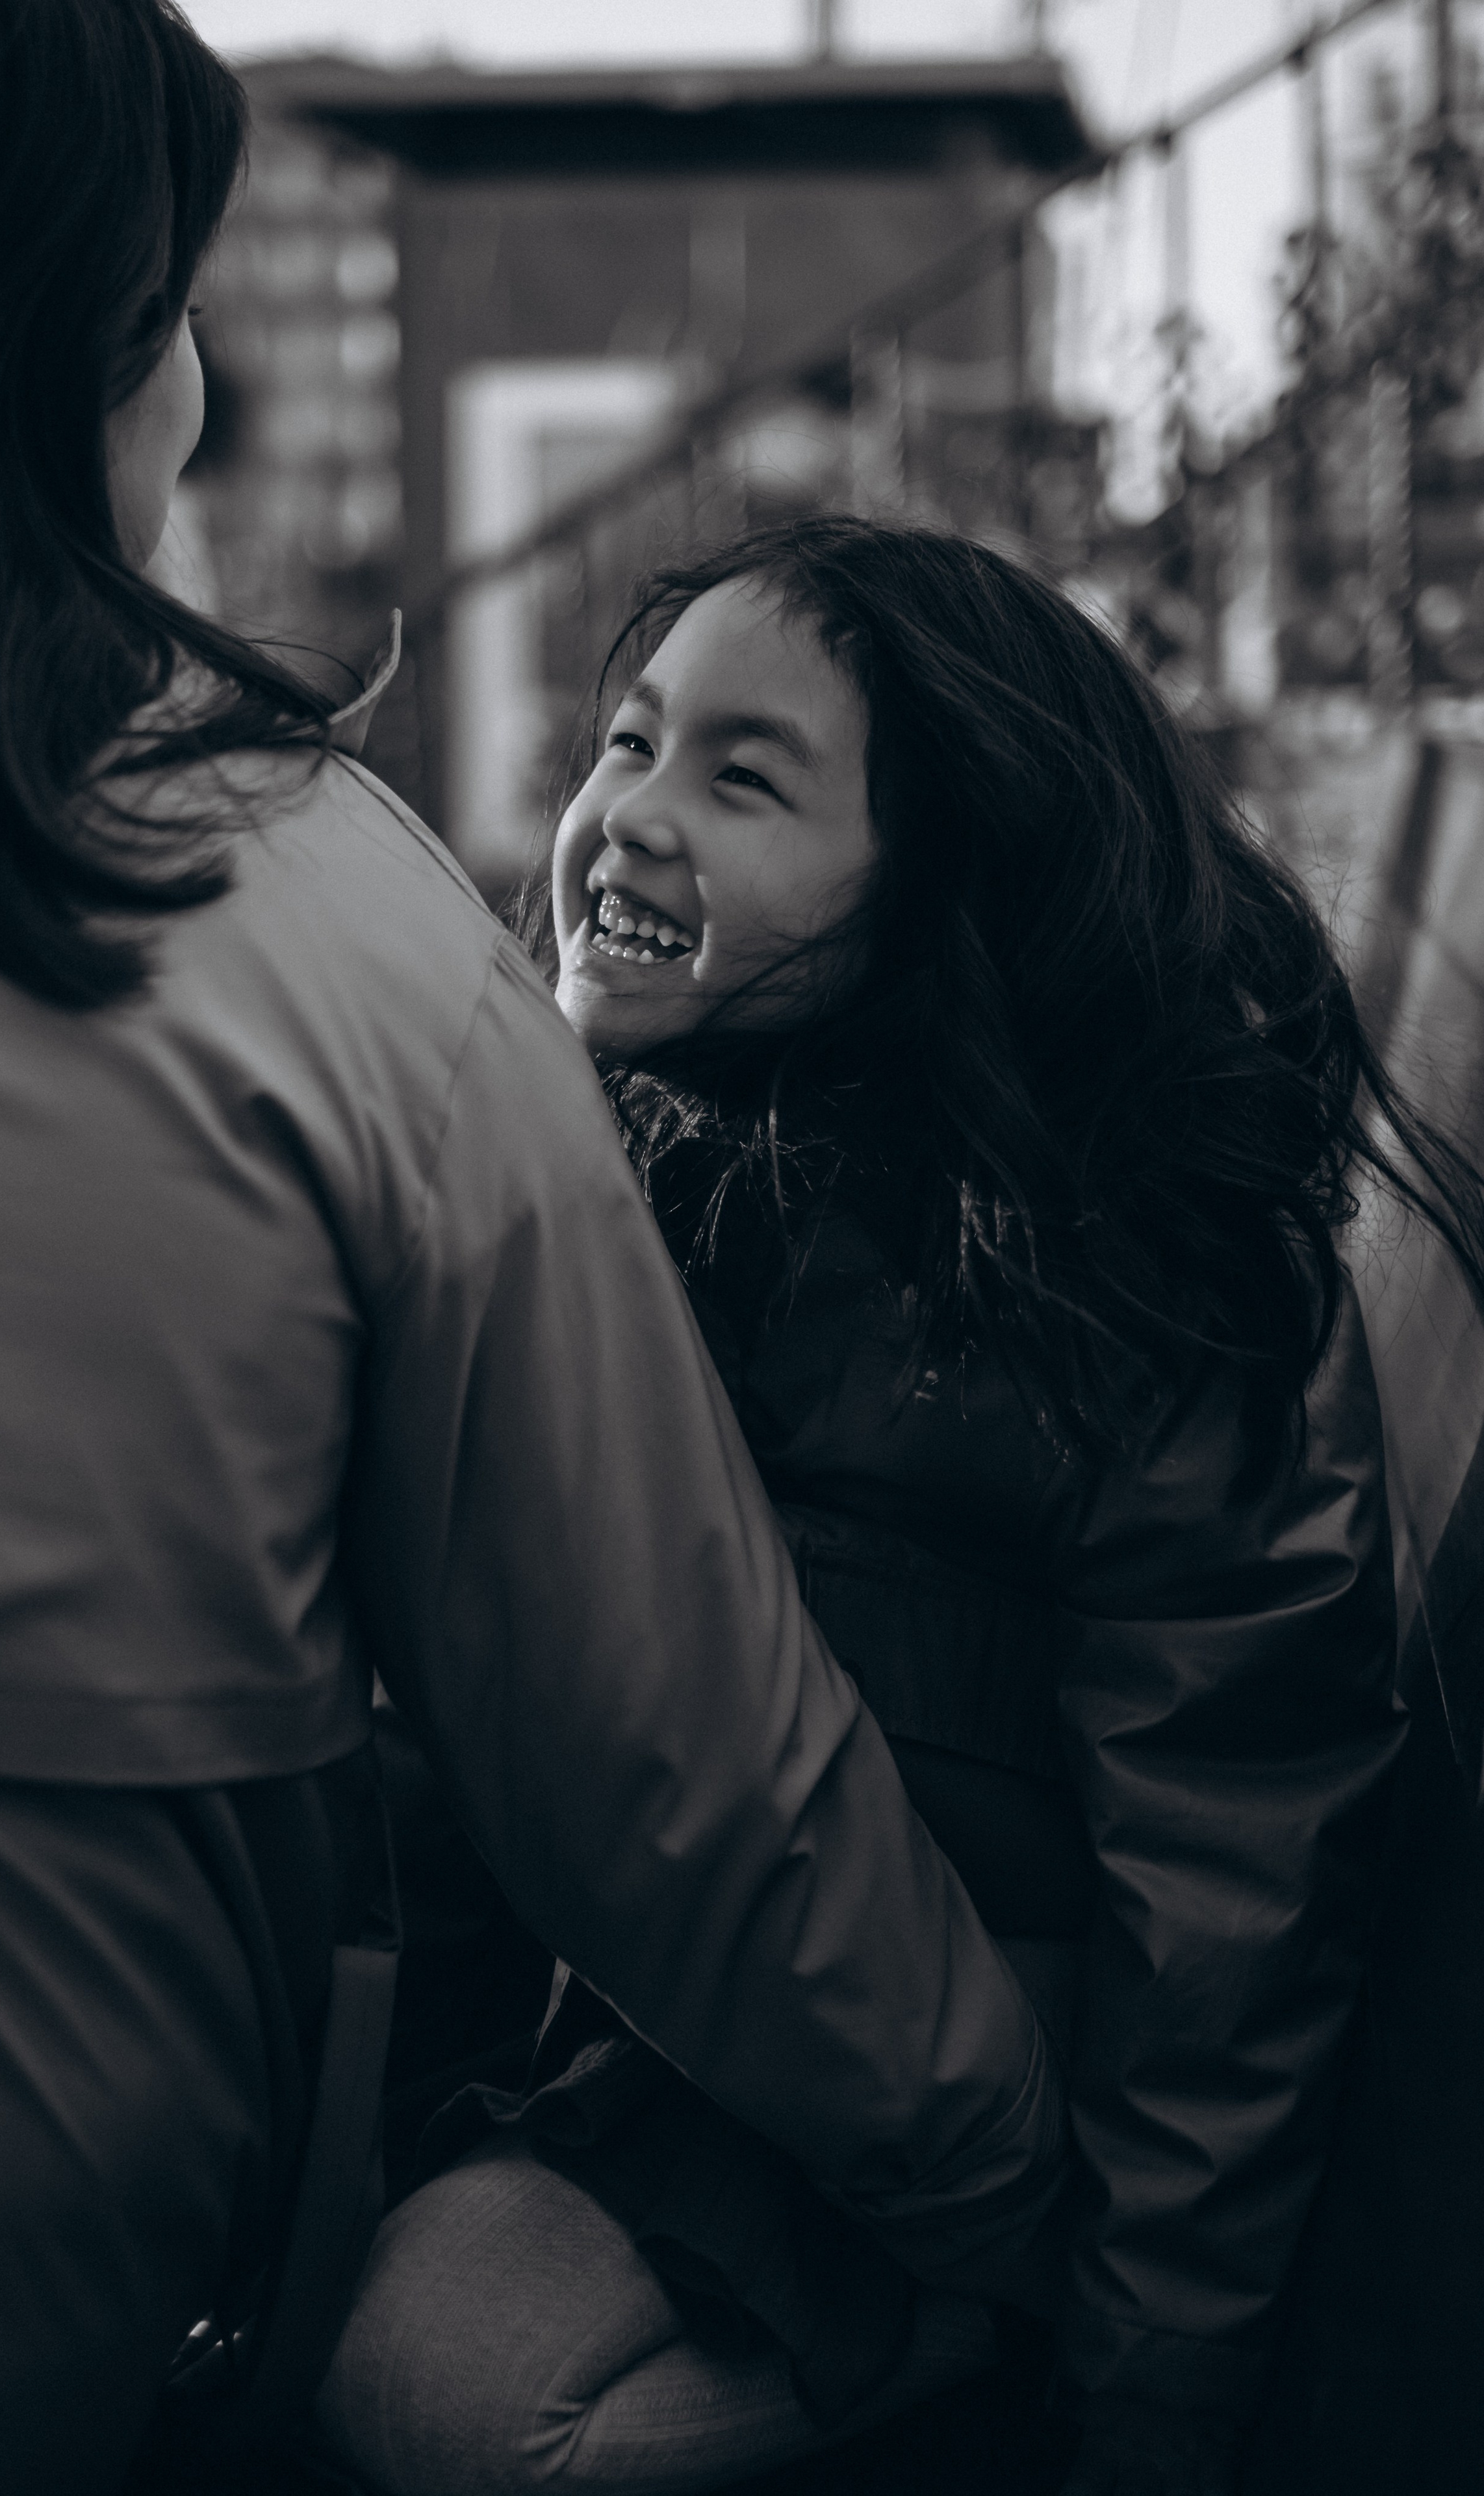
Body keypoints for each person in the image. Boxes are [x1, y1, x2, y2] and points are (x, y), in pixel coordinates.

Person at [0, 17, 1068, 2495]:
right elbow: (683, 1772)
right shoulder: (327, 942)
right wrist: (1015, 2182)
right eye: (178, 307)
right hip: (26, 2295)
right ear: (90, 363)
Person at [320, 521, 1484, 2495]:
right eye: (630, 741)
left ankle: (973, 2366)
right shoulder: (625, 1177)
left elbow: (1232, 1895)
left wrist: (1148, 2390)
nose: (631, 814)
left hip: (966, 2140)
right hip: (682, 2036)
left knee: (447, 2386)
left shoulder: (1138, 1294)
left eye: (744, 777)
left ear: (945, 878)